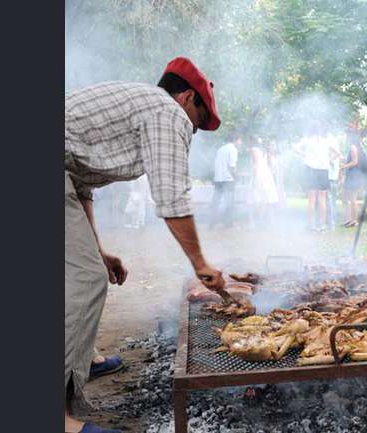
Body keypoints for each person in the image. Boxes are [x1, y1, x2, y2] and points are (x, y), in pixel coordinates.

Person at [65, 57, 226, 433]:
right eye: (199, 123)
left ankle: (81, 359)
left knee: (84, 271)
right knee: (85, 280)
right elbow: (172, 197)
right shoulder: (166, 111)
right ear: (187, 98)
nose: (194, 133)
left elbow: (81, 183)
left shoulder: (140, 108)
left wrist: (96, 249)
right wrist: (200, 263)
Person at [296, 125, 336, 232]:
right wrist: (329, 160)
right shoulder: (326, 141)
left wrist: (305, 155)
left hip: (311, 170)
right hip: (323, 170)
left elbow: (295, 148)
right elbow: (337, 153)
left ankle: (311, 226)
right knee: (322, 199)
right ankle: (322, 226)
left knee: (312, 199)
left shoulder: (307, 140)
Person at [210, 136, 240, 228]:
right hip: (228, 179)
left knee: (216, 202)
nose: (240, 143)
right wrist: (236, 177)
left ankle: (211, 222)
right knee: (229, 202)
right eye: (240, 140)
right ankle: (228, 223)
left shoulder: (220, 149)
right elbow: (232, 166)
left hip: (218, 178)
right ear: (236, 139)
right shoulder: (233, 149)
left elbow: (215, 164)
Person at [341, 127, 367, 227]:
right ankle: (349, 219)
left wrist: (344, 166)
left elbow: (355, 161)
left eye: (347, 135)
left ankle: (354, 220)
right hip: (353, 175)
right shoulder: (356, 146)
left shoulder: (353, 147)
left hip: (353, 176)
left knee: (352, 198)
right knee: (346, 197)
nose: (346, 137)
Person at [249, 139, 280, 226]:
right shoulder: (263, 152)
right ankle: (263, 221)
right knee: (264, 199)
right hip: (264, 176)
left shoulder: (256, 150)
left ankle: (259, 221)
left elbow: (256, 166)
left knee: (259, 199)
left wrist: (254, 179)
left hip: (261, 176)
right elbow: (268, 166)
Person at [326, 134, 342, 230]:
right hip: (334, 178)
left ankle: (331, 223)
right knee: (333, 202)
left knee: (329, 202)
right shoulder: (335, 141)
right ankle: (333, 221)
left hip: (329, 178)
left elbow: (338, 157)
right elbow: (339, 161)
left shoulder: (328, 142)